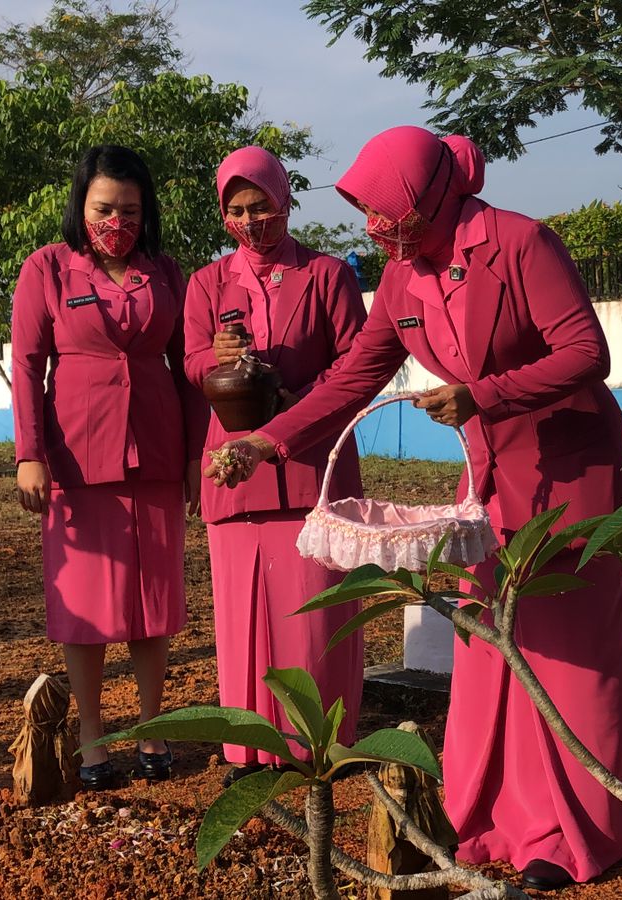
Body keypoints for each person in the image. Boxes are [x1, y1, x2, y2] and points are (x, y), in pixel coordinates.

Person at [207, 126, 622, 891]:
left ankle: (585, 830)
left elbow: (586, 354)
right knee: (493, 654)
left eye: (386, 210)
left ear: (429, 196)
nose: (376, 227)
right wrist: (267, 444)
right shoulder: (406, 274)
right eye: (368, 213)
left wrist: (483, 394)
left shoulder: (520, 244)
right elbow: (353, 378)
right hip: (491, 481)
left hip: (571, 471)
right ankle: (499, 818)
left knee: (567, 652)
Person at [10, 144, 203, 791]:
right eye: (103, 208)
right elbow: (28, 370)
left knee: (154, 603)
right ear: (80, 205)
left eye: (128, 209)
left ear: (145, 213)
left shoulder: (167, 272)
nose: (114, 221)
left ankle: (153, 728)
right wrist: (29, 454)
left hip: (156, 450)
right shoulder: (47, 270)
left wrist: (197, 455)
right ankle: (93, 738)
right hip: (76, 457)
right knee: (88, 608)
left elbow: (190, 371)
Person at [183, 146, 369, 786]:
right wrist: (216, 358)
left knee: (314, 612)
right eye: (236, 211)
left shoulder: (327, 276)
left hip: (313, 461)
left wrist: (297, 398)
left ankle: (319, 744)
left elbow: (357, 365)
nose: (251, 221)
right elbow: (190, 364)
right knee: (241, 618)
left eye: (260, 206)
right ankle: (248, 751)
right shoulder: (207, 283)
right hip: (233, 467)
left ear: (284, 199)